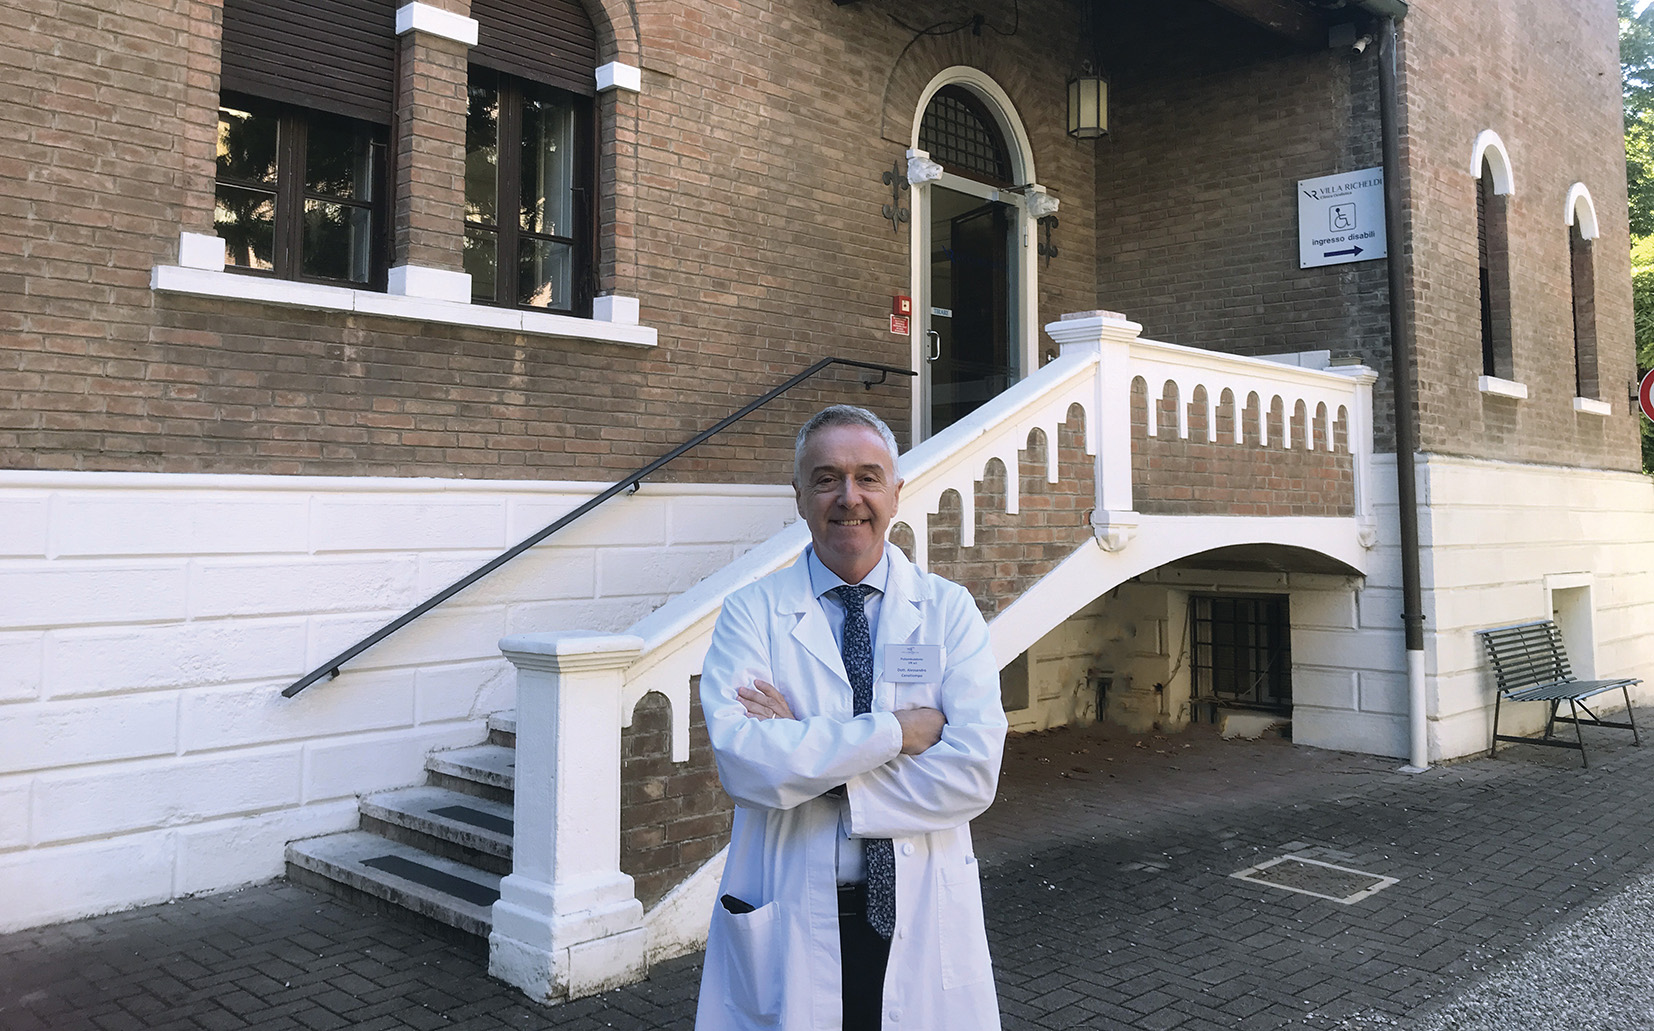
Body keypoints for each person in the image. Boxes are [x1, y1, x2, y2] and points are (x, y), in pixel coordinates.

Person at [694, 404, 1007, 1031]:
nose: (849, 498)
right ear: (799, 496)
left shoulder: (948, 610)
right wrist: (898, 732)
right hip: (792, 910)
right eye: (826, 478)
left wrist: (809, 760)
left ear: (896, 492)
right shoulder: (751, 612)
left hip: (921, 908)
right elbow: (746, 763)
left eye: (868, 477)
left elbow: (973, 774)